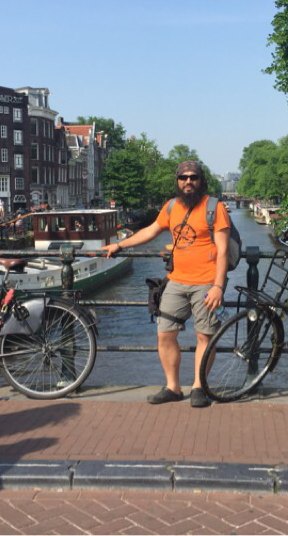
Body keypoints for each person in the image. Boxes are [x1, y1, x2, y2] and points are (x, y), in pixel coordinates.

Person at [102, 160, 230, 408]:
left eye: (193, 177)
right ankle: (173, 387)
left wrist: (218, 286)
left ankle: (199, 387)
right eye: (183, 178)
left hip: (206, 282)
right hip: (176, 280)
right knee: (165, 334)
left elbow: (223, 250)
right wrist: (119, 245)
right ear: (177, 181)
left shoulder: (214, 207)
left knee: (204, 336)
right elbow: (150, 231)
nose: (188, 182)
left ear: (201, 181)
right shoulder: (171, 207)